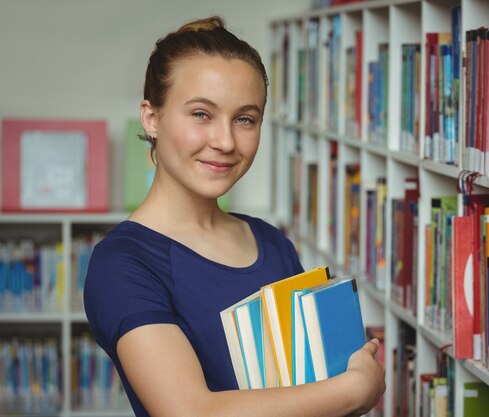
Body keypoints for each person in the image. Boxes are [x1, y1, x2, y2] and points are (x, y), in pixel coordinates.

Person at [83, 15, 385, 417]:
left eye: (245, 119)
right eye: (201, 114)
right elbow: (189, 412)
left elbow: (306, 387)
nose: (225, 142)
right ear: (151, 118)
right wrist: (355, 389)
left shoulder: (272, 242)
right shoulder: (122, 263)